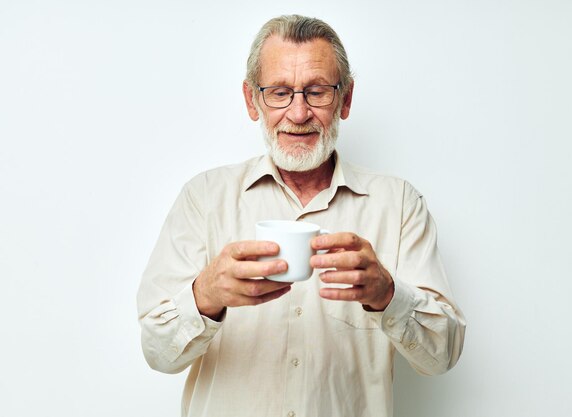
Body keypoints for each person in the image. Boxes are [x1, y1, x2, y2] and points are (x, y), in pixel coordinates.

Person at [137, 14, 465, 417]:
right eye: (278, 92)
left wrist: (387, 294)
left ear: (345, 100)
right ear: (251, 100)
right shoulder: (204, 198)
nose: (297, 113)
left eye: (316, 92)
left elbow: (442, 355)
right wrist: (206, 296)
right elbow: (156, 351)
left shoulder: (398, 204)